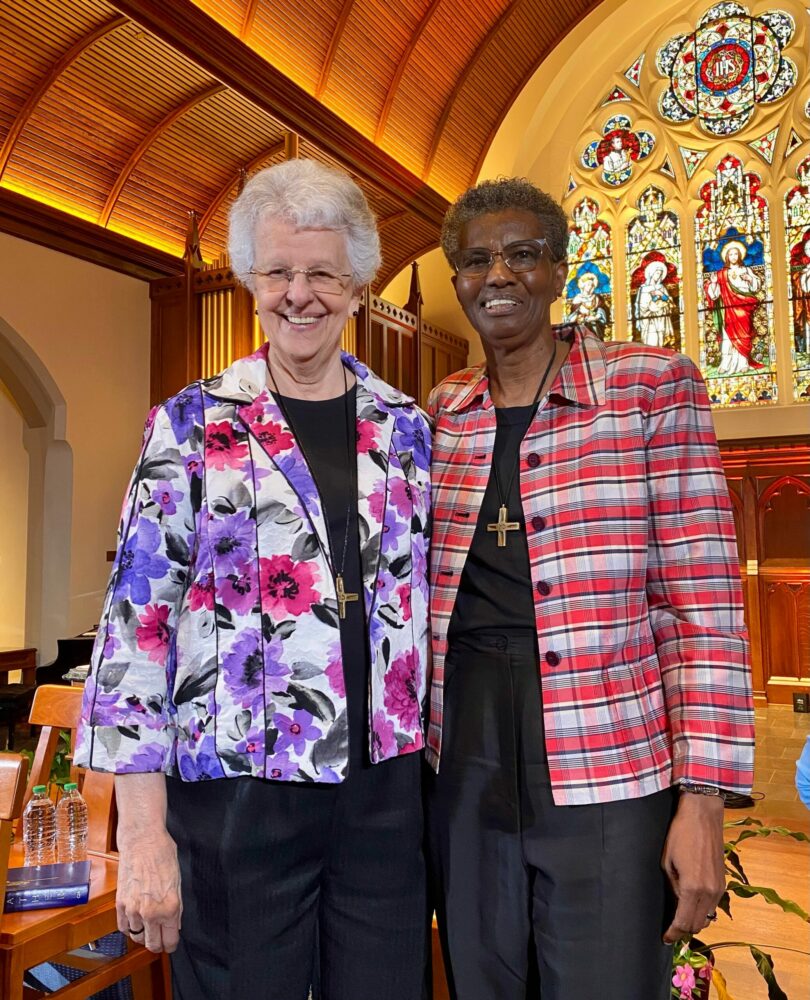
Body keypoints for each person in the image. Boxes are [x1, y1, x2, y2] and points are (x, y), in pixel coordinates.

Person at [75, 158, 432, 1000]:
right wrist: (146, 836)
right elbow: (135, 632)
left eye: (322, 273)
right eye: (278, 272)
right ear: (250, 280)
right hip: (237, 796)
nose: (298, 293)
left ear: (356, 287)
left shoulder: (405, 427)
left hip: (382, 793)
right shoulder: (192, 423)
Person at [425, 177, 754, 1000]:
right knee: (481, 981)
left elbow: (702, 607)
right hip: (463, 753)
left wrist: (703, 801)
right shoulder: (443, 413)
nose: (497, 275)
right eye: (475, 261)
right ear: (457, 280)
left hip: (604, 754)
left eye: (521, 254)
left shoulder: (649, 388)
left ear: (561, 268)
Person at [704, 241, 763, 374]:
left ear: (740, 255)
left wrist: (750, 279)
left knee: (744, 335)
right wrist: (713, 284)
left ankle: (743, 362)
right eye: (731, 254)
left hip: (743, 307)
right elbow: (714, 296)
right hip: (728, 309)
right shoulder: (720, 274)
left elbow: (756, 286)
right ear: (727, 257)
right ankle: (726, 363)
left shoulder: (746, 270)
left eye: (736, 254)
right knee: (727, 337)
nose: (734, 256)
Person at [636, 259, 675, 348]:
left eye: (660, 274)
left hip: (661, 320)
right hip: (649, 322)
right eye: (657, 273)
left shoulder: (662, 288)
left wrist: (661, 294)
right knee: (652, 342)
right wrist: (656, 297)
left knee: (661, 343)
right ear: (652, 273)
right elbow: (643, 307)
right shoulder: (643, 289)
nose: (659, 276)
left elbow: (669, 302)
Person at [564, 270, 608, 339]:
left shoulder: (597, 298)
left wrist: (596, 317)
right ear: (583, 286)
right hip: (581, 329)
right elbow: (572, 316)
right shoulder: (578, 299)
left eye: (592, 285)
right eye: (588, 284)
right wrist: (579, 318)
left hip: (595, 328)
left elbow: (602, 310)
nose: (590, 287)